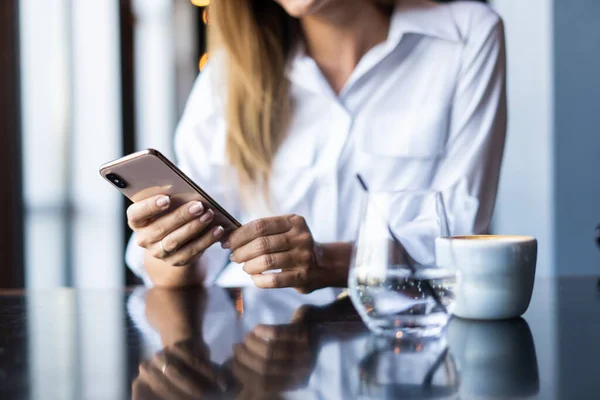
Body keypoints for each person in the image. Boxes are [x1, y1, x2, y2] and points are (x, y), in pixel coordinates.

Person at [125, 0, 507, 291]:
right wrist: (171, 245)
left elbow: (460, 235)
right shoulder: (228, 76)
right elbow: (175, 274)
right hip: (261, 359)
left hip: (404, 337)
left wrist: (329, 262)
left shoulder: (466, 35)